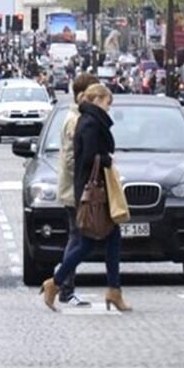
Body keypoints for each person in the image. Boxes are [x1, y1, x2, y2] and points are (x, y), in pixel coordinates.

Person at [41, 83, 130, 312]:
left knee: (111, 239)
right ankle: (56, 282)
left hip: (95, 190)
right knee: (87, 242)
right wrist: (107, 160)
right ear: (97, 100)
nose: (109, 108)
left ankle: (114, 290)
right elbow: (90, 157)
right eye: (108, 103)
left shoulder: (89, 120)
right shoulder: (90, 123)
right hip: (96, 192)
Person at [54, 72, 99, 308]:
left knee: (78, 237)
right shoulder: (75, 120)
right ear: (82, 95)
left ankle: (63, 282)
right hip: (75, 188)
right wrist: (84, 184)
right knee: (78, 238)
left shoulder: (77, 117)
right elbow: (72, 158)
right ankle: (64, 285)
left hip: (74, 187)